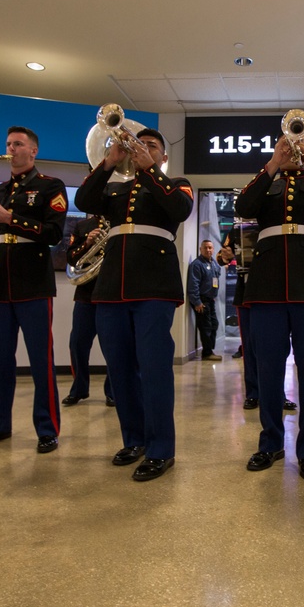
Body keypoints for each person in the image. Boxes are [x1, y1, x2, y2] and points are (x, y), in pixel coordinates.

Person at [75, 128, 193, 482]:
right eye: (136, 145)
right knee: (120, 369)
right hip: (111, 287)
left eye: (151, 146)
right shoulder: (113, 186)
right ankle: (134, 439)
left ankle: (161, 450)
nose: (140, 149)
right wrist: (110, 159)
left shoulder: (176, 182)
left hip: (154, 285)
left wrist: (149, 169)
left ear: (164, 157)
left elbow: (180, 208)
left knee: (155, 368)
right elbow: (83, 200)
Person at [235, 132, 304, 482]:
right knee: (268, 371)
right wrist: (271, 164)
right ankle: (270, 443)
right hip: (267, 286)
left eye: (295, 144)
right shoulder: (266, 179)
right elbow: (243, 207)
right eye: (286, 144)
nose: (291, 148)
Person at [0, 126, 67, 454]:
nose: (11, 149)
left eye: (19, 144)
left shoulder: (50, 186)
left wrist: (11, 217)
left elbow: (53, 233)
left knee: (41, 360)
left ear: (33, 151)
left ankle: (47, 429)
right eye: (9, 143)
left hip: (33, 282)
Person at [218, 233, 296, 412]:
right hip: (246, 292)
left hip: (271, 292)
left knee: (275, 349)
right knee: (250, 347)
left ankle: (278, 394)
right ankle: (253, 393)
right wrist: (227, 256)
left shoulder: (272, 224)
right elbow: (221, 257)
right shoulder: (237, 229)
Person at [63, 215, 114, 407]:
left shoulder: (119, 222)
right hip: (86, 294)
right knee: (77, 344)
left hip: (110, 293)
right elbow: (71, 257)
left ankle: (113, 391)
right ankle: (79, 389)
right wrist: (88, 242)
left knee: (112, 347)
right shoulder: (83, 226)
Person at [187, 239, 223, 361]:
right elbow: (193, 284)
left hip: (210, 299)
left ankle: (209, 350)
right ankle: (207, 353)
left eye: (210, 248)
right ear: (200, 249)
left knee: (214, 324)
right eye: (205, 248)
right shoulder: (197, 265)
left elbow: (217, 276)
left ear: (213, 249)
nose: (208, 250)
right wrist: (197, 302)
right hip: (201, 300)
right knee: (206, 326)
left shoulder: (213, 263)